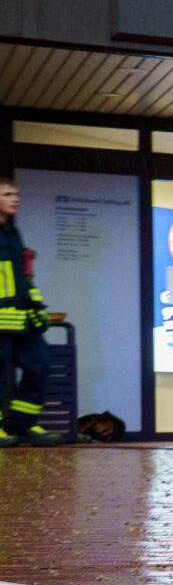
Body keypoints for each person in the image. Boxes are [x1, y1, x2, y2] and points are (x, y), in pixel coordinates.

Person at [0, 175, 58, 447]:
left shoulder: (13, 232)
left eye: (16, 194)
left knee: (41, 364)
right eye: (8, 194)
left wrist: (36, 307)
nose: (15, 199)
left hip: (21, 318)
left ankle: (21, 425)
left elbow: (22, 277)